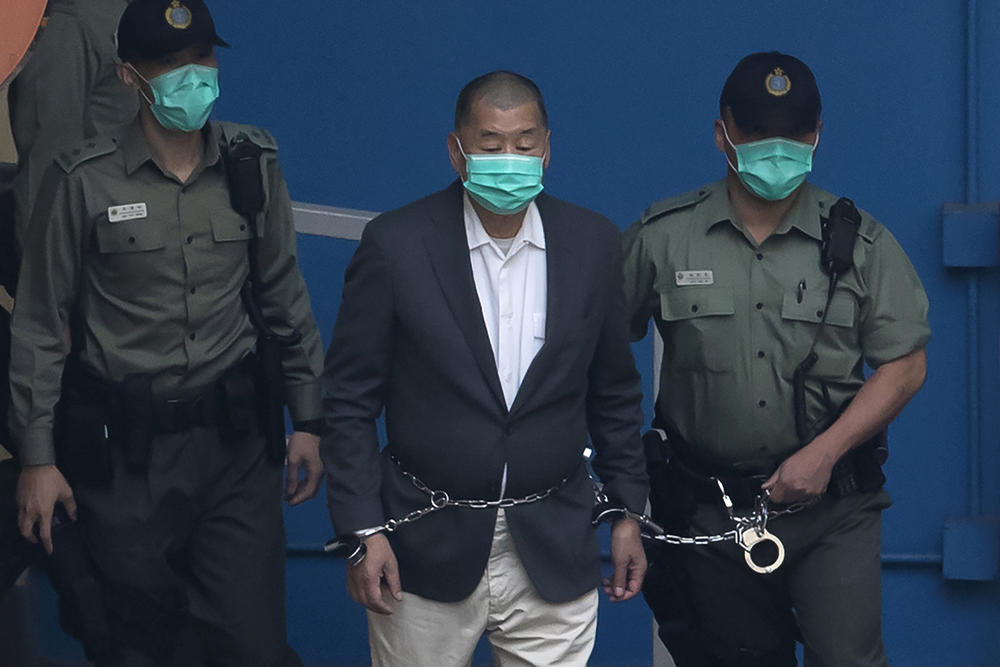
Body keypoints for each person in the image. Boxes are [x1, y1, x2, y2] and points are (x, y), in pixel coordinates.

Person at [10, 1, 324, 664]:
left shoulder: (252, 162)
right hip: (127, 458)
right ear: (130, 76)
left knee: (252, 645)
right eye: (168, 64)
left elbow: (284, 295)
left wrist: (311, 418)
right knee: (139, 645)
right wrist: (38, 459)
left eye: (201, 59)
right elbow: (40, 324)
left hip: (235, 446)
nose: (190, 77)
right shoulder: (82, 181)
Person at [322, 70, 649, 667]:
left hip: (554, 539)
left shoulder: (593, 243)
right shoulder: (396, 245)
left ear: (548, 148)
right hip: (422, 544)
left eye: (524, 145)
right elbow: (348, 398)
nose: (510, 160)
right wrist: (362, 530)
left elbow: (614, 393)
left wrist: (627, 511)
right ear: (456, 151)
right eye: (491, 145)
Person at [623, 51, 929, 666]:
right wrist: (618, 490)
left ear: (816, 136)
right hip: (710, 511)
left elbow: (905, 364)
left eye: (793, 136)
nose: (777, 150)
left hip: (833, 510)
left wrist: (825, 452)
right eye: (760, 135)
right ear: (723, 134)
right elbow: (596, 353)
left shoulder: (864, 243)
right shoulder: (662, 237)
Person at [9, 0, 137, 253]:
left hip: (135, 248)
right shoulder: (74, 18)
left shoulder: (130, 10)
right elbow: (44, 171)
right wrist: (44, 286)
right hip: (90, 257)